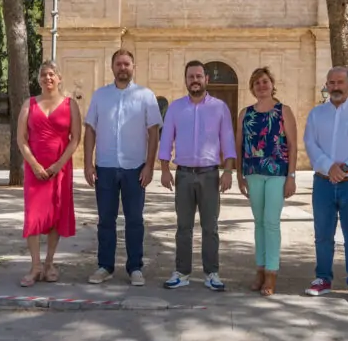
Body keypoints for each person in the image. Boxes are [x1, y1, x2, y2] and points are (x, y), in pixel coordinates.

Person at [83, 49, 163, 286]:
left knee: (135, 220)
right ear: (112, 67)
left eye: (127, 64)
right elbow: (90, 130)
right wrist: (88, 163)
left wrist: (150, 166)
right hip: (105, 167)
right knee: (106, 220)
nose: (123, 68)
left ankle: (135, 267)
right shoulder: (100, 96)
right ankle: (104, 266)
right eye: (119, 64)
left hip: (135, 168)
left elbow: (153, 132)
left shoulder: (146, 96)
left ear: (133, 67)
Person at [159, 60, 236, 291]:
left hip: (210, 175)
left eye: (199, 76)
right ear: (186, 80)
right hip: (183, 175)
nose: (195, 80)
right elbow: (166, 140)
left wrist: (228, 172)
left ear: (206, 80)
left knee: (210, 227)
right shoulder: (175, 108)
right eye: (191, 76)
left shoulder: (219, 107)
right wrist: (164, 170)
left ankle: (212, 273)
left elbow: (228, 139)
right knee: (183, 227)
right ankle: (181, 272)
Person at [303, 66, 348, 303]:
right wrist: (329, 167)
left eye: (340, 82)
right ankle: (323, 279)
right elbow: (311, 144)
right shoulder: (316, 114)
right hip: (323, 183)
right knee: (323, 235)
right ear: (327, 85)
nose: (335, 87)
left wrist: (344, 169)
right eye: (331, 83)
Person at [17, 61, 82, 287]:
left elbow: (75, 139)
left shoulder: (70, 104)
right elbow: (21, 139)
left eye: (51, 74)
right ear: (39, 79)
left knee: (56, 215)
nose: (48, 78)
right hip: (35, 167)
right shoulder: (29, 104)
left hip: (60, 168)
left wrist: (58, 165)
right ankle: (34, 266)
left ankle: (49, 263)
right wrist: (34, 164)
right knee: (33, 216)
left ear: (59, 78)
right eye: (44, 75)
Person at [235, 67, 298, 296]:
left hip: (277, 173)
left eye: (264, 81)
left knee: (271, 222)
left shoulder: (284, 111)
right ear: (252, 88)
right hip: (253, 172)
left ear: (272, 84)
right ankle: (260, 270)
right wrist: (239, 175)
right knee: (259, 222)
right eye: (256, 83)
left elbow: (292, 145)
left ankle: (272, 272)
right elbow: (239, 145)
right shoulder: (245, 113)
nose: (261, 86)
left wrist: (291, 177)